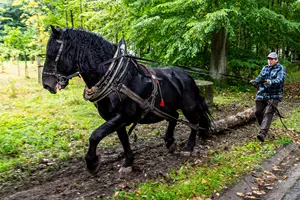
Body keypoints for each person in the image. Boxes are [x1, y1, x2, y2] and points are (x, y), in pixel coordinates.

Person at [249, 52, 286, 142]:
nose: (269, 61)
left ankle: (262, 133)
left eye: (271, 59)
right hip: (262, 94)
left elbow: (280, 80)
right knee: (257, 112)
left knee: (268, 112)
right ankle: (265, 130)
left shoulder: (281, 68)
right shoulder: (265, 68)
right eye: (268, 59)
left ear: (276, 60)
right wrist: (254, 82)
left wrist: (270, 81)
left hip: (274, 95)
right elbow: (259, 78)